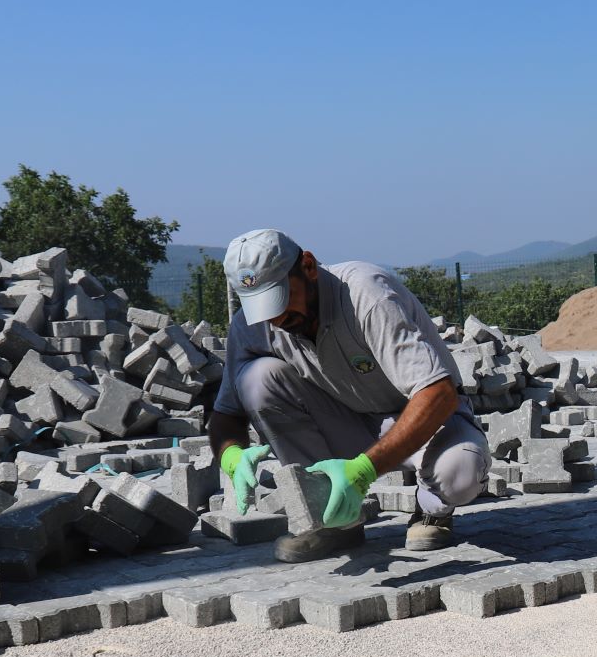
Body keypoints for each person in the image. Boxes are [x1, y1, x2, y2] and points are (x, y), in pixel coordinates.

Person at [209, 229, 490, 563]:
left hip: (421, 422)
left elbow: (438, 395)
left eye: (281, 298)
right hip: (345, 420)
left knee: (460, 471)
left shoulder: (365, 295)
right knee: (257, 378)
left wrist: (363, 472)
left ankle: (431, 510)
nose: (277, 318)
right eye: (264, 308)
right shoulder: (255, 325)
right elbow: (226, 415)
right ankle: (333, 522)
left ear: (309, 266)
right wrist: (231, 457)